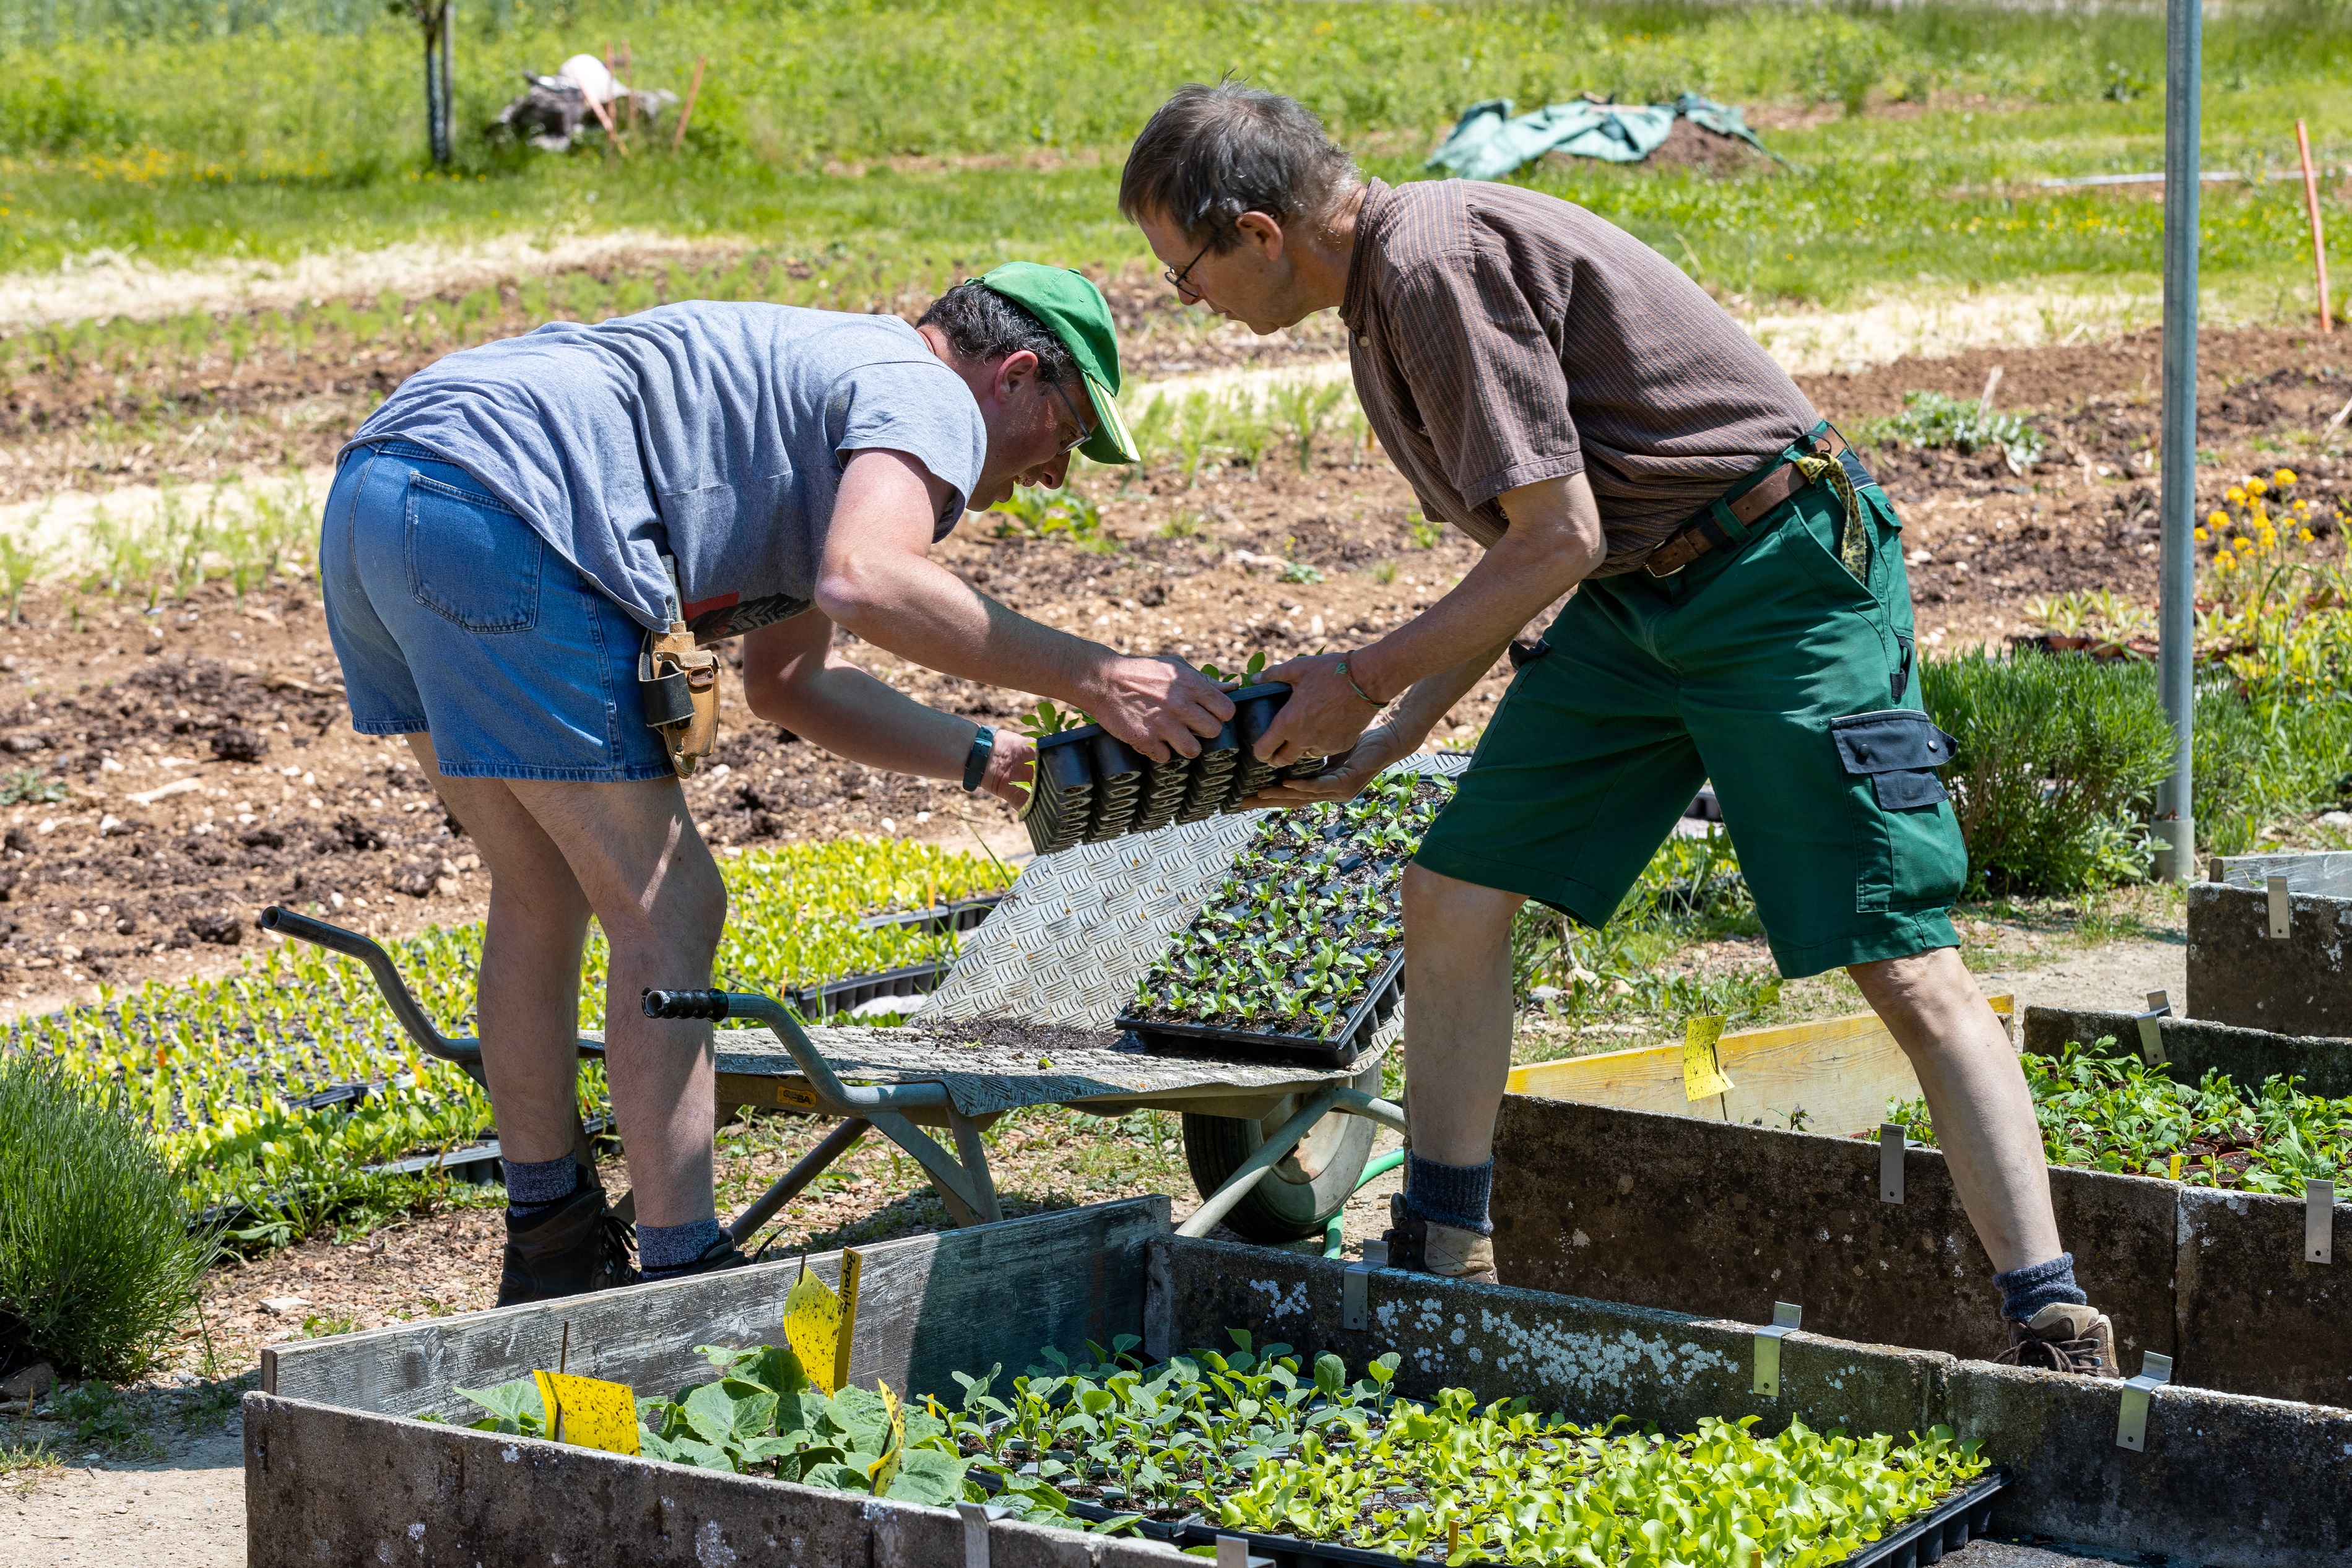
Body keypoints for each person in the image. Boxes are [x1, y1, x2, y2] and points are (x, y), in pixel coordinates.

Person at [1116, 84, 2119, 1377]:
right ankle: (1440, 1251)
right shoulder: (1378, 302)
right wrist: (1397, 724)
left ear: (1258, 231)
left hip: (1777, 580)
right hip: (1634, 603)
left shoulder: (1431, 264)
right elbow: (1539, 562)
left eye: (1182, 271)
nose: (1185, 300)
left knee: (1897, 951)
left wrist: (1362, 679)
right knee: (1453, 890)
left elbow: (1557, 537)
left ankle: (2050, 1316)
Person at [321, 264, 1235, 1304]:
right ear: (1016, 375)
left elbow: (793, 683)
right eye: (1068, 438)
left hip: (383, 489)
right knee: (674, 907)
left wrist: (987, 757)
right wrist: (1098, 675)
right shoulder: (924, 389)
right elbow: (867, 579)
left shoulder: (815, 393)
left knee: (541, 889)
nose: (1053, 478)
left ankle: (551, 1244)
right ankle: (683, 1271)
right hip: (503, 502)